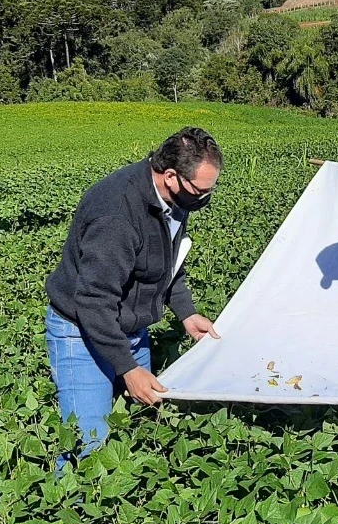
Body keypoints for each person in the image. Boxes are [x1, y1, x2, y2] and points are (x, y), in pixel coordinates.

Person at [44, 127, 222, 470]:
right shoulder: (116, 215)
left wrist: (186, 312)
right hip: (82, 331)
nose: (205, 199)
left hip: (129, 324)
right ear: (171, 176)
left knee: (139, 422)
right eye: (200, 191)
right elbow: (93, 301)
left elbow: (168, 260)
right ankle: (73, 500)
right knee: (87, 445)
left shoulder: (173, 199)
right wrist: (128, 368)